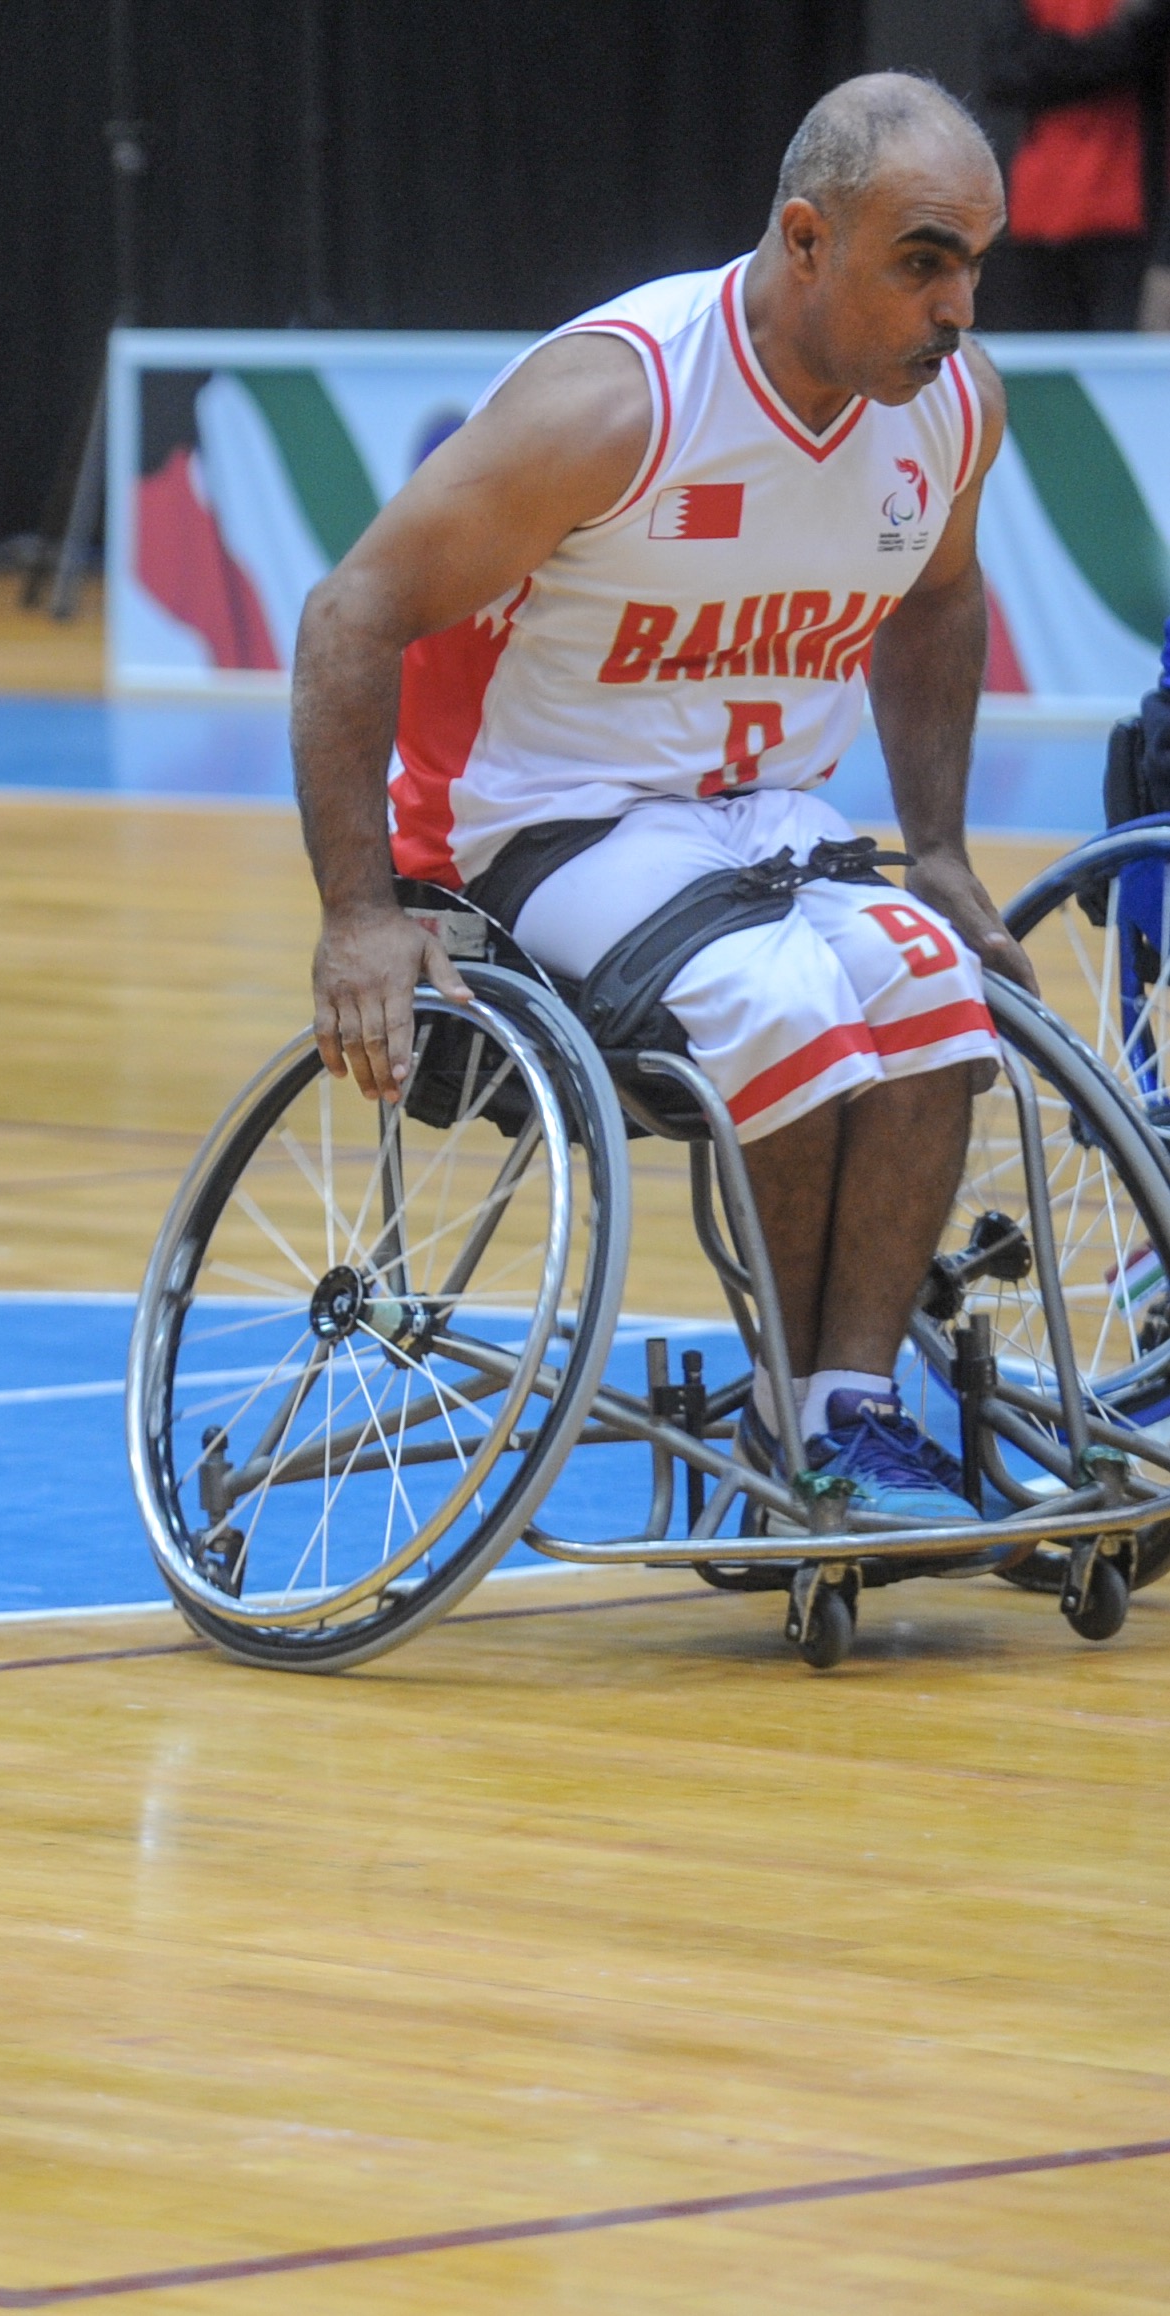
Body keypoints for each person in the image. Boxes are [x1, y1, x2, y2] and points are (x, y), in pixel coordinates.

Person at [299, 74, 1016, 1520]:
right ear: (806, 241)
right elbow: (349, 615)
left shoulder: (947, 417)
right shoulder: (617, 401)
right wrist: (356, 913)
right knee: (781, 1003)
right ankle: (799, 1424)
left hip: (758, 818)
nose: (957, 311)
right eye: (922, 262)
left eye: (973, 268)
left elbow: (938, 604)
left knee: (942, 1000)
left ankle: (838, 1407)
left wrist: (936, 845)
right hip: (540, 819)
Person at [981, 0, 1164, 331]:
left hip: (1126, 219)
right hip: (1040, 214)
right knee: (1043, 367)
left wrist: (1055, 57)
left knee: (1119, 369)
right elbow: (1005, 72)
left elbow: (1144, 44)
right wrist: (1114, 43)